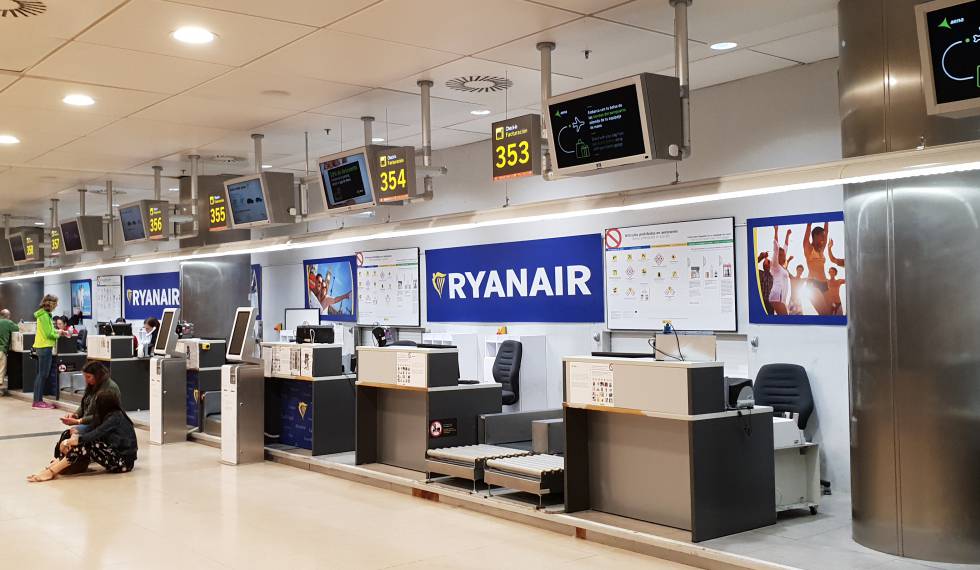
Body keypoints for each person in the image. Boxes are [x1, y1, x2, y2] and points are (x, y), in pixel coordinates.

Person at [28, 390, 137, 482]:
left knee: (85, 443)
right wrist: (73, 435)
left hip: (123, 463)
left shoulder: (116, 417)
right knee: (69, 434)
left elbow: (97, 433)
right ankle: (54, 466)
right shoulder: (105, 414)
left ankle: (51, 471)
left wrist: (72, 441)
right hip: (112, 453)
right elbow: (91, 427)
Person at [60, 361, 120, 434]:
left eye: (88, 377)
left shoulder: (109, 388)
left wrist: (79, 421)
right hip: (90, 421)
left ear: (98, 375)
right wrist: (75, 415)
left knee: (73, 432)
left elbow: (103, 415)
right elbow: (84, 404)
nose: (86, 380)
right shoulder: (93, 385)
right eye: (85, 377)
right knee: (69, 433)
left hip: (103, 424)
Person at [32, 294, 68, 410]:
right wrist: (59, 334)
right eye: (56, 303)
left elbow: (50, 330)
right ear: (51, 304)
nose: (57, 305)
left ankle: (37, 400)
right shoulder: (44, 316)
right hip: (45, 347)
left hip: (42, 347)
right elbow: (49, 334)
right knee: (43, 375)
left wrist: (59, 331)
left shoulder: (43, 314)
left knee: (41, 375)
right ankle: (38, 401)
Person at [767, 226, 791, 315]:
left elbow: (785, 247)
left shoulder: (781, 267)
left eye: (784, 255)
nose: (783, 256)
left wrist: (787, 235)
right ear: (777, 256)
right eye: (780, 255)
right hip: (777, 296)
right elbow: (776, 248)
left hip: (781, 298)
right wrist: (776, 230)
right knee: (786, 319)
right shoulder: (775, 265)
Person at [0, 309, 19, 386]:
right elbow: (17, 329)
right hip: (2, 349)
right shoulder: (8, 322)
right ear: (8, 316)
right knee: (1, 368)